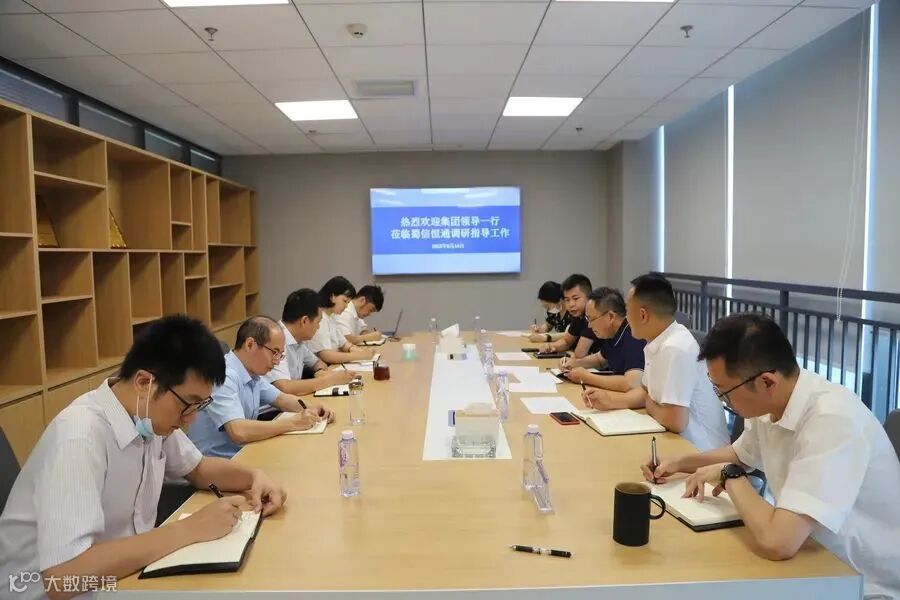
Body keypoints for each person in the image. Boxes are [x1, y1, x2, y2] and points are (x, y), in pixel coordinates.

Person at [0, 315, 288, 600]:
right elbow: (63, 578)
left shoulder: (148, 417)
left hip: (122, 577)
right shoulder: (79, 436)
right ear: (143, 382)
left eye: (200, 405)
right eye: (188, 403)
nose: (190, 418)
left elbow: (199, 468)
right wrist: (189, 529)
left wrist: (253, 477)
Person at [643, 313, 900, 599]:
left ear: (766, 382)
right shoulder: (773, 402)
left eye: (724, 392)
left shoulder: (833, 420)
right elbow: (741, 454)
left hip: (860, 584)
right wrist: (680, 463)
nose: (723, 401)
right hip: (811, 556)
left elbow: (778, 543)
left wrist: (730, 476)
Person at [188, 316, 335, 459]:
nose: (277, 361)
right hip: (219, 463)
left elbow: (282, 399)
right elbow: (238, 431)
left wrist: (313, 408)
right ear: (250, 345)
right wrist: (293, 423)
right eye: (274, 352)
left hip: (243, 453)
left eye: (280, 355)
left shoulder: (252, 373)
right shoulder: (224, 376)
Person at [626, 274, 728, 451]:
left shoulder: (675, 348)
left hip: (701, 450)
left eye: (627, 310)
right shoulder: (657, 341)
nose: (626, 317)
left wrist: (649, 404)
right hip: (674, 439)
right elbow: (645, 393)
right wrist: (609, 401)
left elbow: (676, 421)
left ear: (642, 315)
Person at [554, 287, 646, 411]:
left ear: (610, 316)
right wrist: (574, 363)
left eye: (591, 319)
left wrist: (587, 377)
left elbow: (631, 383)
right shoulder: (612, 332)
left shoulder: (633, 335)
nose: (589, 325)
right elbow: (599, 359)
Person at [266, 288, 360, 395]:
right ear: (305, 321)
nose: (318, 327)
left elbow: (317, 363)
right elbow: (285, 387)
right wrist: (330, 380)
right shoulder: (275, 339)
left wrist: (319, 372)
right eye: (318, 322)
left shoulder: (298, 339)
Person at [307, 276, 376, 365]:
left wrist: (360, 350)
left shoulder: (332, 316)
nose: (346, 306)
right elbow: (326, 355)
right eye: (344, 301)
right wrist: (360, 356)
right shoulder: (319, 318)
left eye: (348, 302)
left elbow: (344, 344)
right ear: (332, 296)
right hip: (321, 368)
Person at [538, 274, 601, 358]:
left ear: (589, 297)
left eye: (575, 298)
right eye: (567, 300)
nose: (571, 304)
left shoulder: (593, 317)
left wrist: (569, 354)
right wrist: (550, 346)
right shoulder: (578, 316)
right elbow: (567, 341)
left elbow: (579, 355)